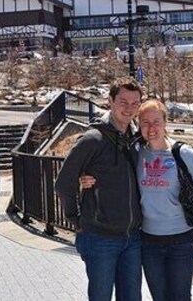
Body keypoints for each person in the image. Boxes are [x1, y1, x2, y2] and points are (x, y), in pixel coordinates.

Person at [80, 99, 193, 301]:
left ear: (165, 122)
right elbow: (112, 171)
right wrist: (85, 177)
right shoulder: (136, 153)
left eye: (156, 121)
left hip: (181, 241)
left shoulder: (182, 153)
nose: (151, 127)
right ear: (139, 125)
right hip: (149, 242)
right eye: (145, 122)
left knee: (180, 297)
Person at [54, 77, 143, 301]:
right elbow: (64, 182)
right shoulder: (93, 139)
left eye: (135, 103)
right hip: (99, 237)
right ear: (110, 101)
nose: (129, 108)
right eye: (123, 101)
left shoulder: (136, 139)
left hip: (132, 238)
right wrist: (76, 219)